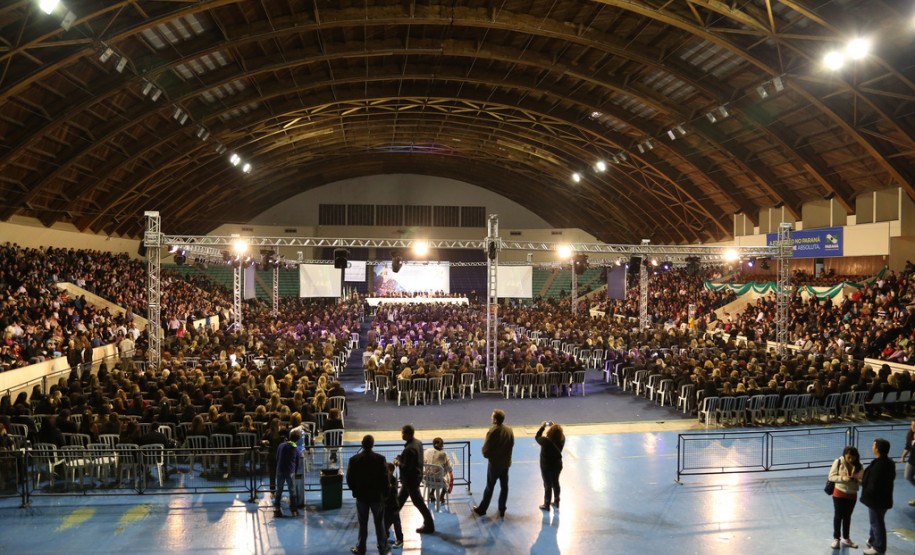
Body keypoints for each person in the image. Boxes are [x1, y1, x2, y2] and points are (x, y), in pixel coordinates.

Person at [346, 435, 389, 555]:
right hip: (377, 497)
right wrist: (385, 494)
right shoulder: (380, 459)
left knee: (362, 523)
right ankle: (382, 547)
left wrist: (355, 491)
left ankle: (361, 548)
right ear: (373, 444)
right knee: (379, 522)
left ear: (362, 444)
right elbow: (385, 479)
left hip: (362, 497)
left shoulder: (354, 460)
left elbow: (349, 478)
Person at [473, 409, 514, 518]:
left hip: (495, 465)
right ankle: (502, 509)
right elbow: (511, 444)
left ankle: (482, 509)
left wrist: (488, 454)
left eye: (492, 416)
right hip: (506, 464)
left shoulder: (492, 431)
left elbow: (485, 451)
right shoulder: (509, 430)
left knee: (490, 487)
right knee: (504, 487)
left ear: (495, 419)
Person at [395, 424, 435, 534]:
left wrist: (398, 463)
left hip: (410, 481)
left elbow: (406, 467)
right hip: (415, 478)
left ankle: (430, 525)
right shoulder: (418, 443)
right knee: (400, 501)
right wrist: (403, 458)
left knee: (417, 503)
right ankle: (388, 521)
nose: (402, 435)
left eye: (403, 433)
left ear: (408, 434)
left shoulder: (409, 449)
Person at [860, 438, 895, 555]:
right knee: (876, 521)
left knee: (877, 523)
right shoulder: (889, 463)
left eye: (874, 445)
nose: (872, 447)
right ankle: (872, 540)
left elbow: (873, 484)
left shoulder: (879, 465)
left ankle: (879, 548)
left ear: (877, 449)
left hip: (876, 500)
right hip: (885, 499)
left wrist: (867, 495)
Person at [828, 446, 863, 549]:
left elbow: (863, 480)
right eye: (848, 457)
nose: (850, 460)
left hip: (852, 494)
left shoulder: (860, 466)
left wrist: (857, 481)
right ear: (844, 456)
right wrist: (844, 478)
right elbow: (831, 477)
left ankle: (846, 538)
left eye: (853, 457)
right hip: (839, 492)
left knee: (847, 516)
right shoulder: (838, 462)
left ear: (856, 457)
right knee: (838, 516)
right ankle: (836, 539)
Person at [535, 421, 565, 511]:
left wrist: (543, 427)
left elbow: (537, 437)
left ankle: (546, 504)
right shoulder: (562, 439)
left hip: (546, 467)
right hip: (557, 465)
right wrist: (555, 428)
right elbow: (558, 433)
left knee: (547, 485)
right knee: (555, 483)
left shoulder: (545, 441)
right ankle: (556, 501)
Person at [274, 429, 301, 518]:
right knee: (292, 490)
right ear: (298, 439)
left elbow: (277, 457)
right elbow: (297, 463)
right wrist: (295, 472)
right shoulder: (296, 449)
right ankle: (293, 510)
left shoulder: (281, 445)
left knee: (279, 490)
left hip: (280, 470)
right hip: (290, 472)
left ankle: (276, 509)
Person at [423, 437, 452, 505]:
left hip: (427, 478)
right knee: (449, 475)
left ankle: (432, 493)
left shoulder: (426, 451)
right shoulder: (444, 454)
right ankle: (441, 496)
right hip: (439, 480)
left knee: (434, 474)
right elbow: (449, 468)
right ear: (442, 446)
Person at [383, 462, 404, 550]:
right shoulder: (383, 479)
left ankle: (400, 539)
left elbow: (393, 491)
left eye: (386, 470)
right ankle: (385, 536)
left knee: (397, 524)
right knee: (385, 523)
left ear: (391, 471)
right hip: (385, 506)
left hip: (394, 506)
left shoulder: (394, 480)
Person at [900, 419, 915, 507]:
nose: (912, 427)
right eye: (911, 425)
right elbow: (907, 447)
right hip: (911, 460)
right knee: (907, 476)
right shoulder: (910, 435)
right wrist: (903, 456)